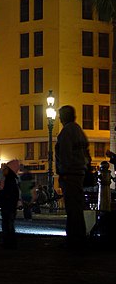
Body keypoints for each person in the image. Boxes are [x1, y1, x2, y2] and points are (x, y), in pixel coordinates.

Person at [55, 104, 91, 248]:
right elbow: (86, 153)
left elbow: (65, 155)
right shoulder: (79, 130)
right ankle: (79, 236)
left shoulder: (66, 132)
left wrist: (63, 173)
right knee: (77, 206)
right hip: (79, 172)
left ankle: (74, 239)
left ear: (63, 117)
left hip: (70, 174)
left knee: (72, 208)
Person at [0, 160, 22, 249]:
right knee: (9, 225)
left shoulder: (9, 182)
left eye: (5, 169)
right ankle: (10, 242)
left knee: (7, 225)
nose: (3, 171)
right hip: (10, 206)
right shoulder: (11, 180)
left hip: (8, 206)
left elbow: (7, 194)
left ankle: (8, 243)